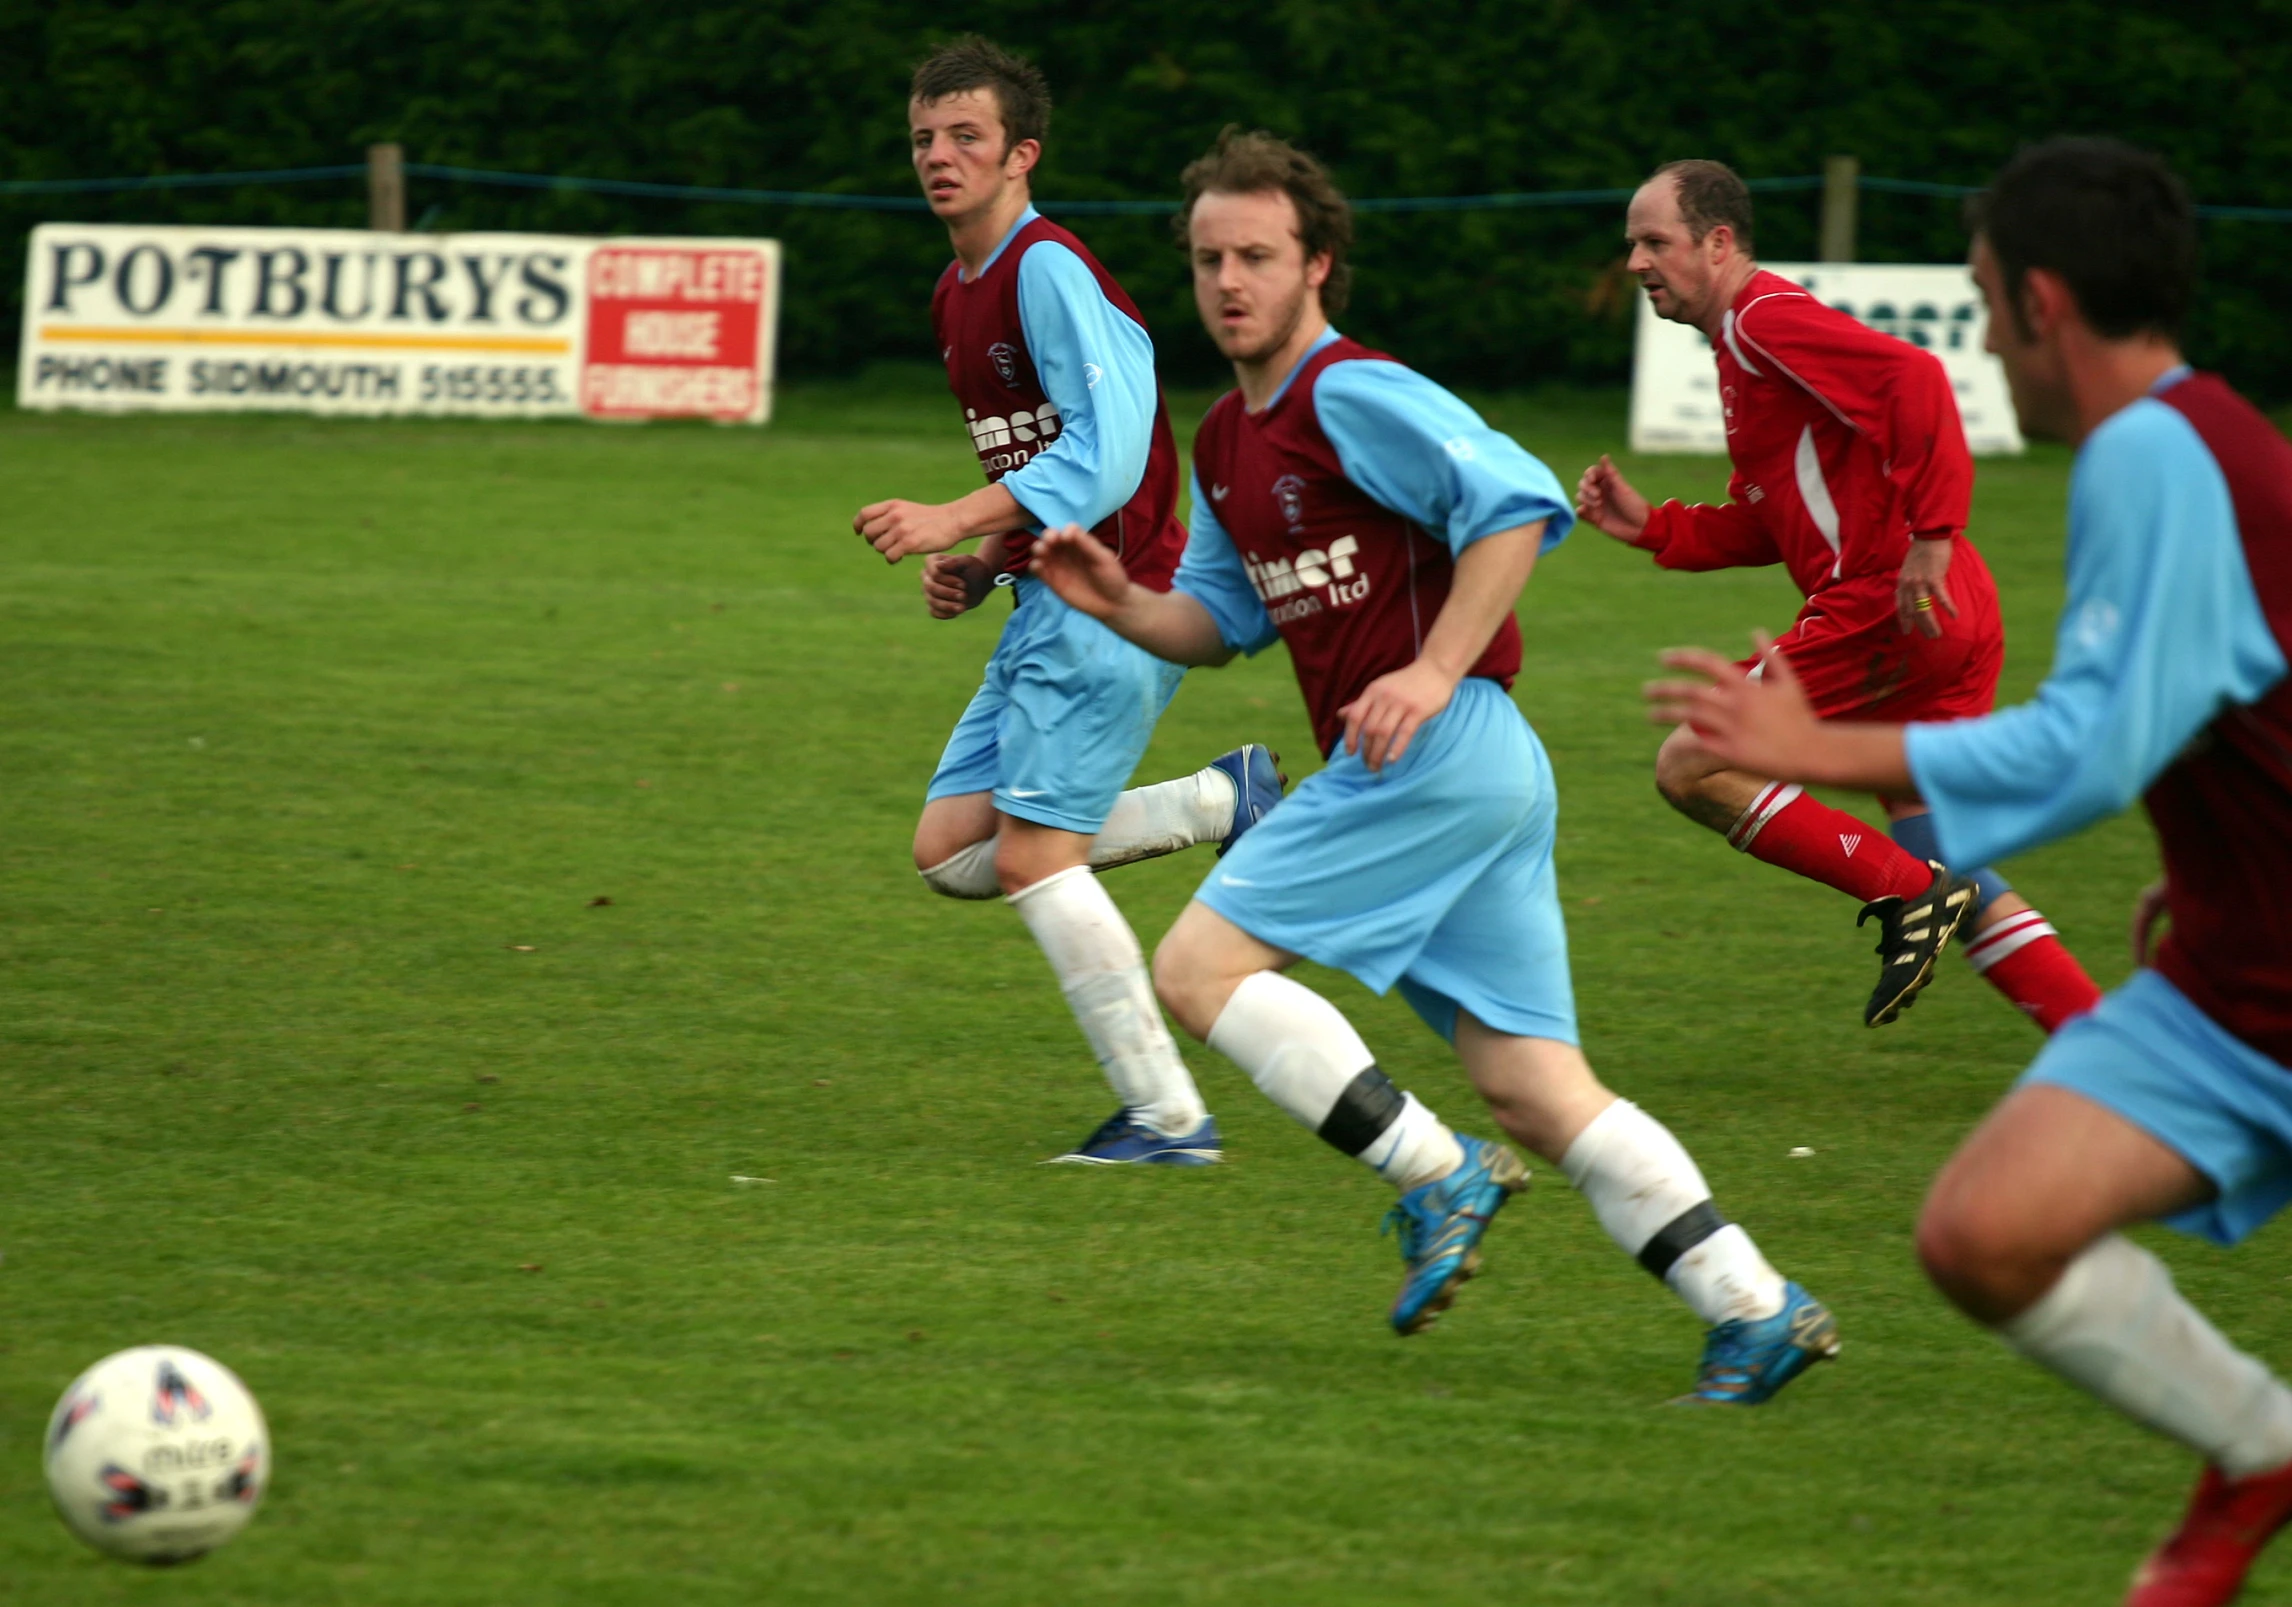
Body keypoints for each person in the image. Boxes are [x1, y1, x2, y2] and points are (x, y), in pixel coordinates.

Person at [1033, 127, 1834, 1399]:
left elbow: (1519, 503)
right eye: (1206, 259)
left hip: (1432, 752)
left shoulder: (1351, 392)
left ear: (1318, 266)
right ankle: (1753, 1301)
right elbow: (1220, 620)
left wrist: (1431, 667)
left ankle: (1433, 1171)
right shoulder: (1231, 445)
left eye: (1257, 255)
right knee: (1533, 1086)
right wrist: (1115, 600)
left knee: (1196, 966)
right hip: (1476, 771)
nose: (1229, 281)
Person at [1647, 139, 2292, 1603]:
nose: (1981, 337)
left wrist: (1826, 743)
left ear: (2044, 303)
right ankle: (2260, 1449)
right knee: (1981, 1231)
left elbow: (2090, 749)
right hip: (2234, 968)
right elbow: (2215, 693)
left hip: (2261, 978)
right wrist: (2214, 867)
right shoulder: (2197, 443)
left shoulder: (2152, 454)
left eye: (1988, 302)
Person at [852, 38, 1283, 1166]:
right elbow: (1044, 461)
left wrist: (952, 518)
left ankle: (1168, 1117)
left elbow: (1105, 456)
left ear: (1020, 154)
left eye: (965, 138)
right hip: (1051, 591)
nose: (938, 157)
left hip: (1122, 587)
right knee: (954, 850)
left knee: (1039, 854)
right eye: (923, 139)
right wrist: (986, 561)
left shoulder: (1045, 269)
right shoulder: (958, 290)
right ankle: (1219, 800)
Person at [1577, 160, 2102, 1032]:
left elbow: (1917, 380)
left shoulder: (1761, 319)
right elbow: (1770, 517)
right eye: (1631, 242)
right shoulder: (1743, 347)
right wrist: (1655, 527)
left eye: (1653, 241)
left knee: (1694, 761)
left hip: (1888, 601)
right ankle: (2103, 1044)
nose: (1634, 261)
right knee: (1945, 848)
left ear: (1717, 242)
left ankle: (1907, 896)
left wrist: (1930, 534)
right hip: (1943, 609)